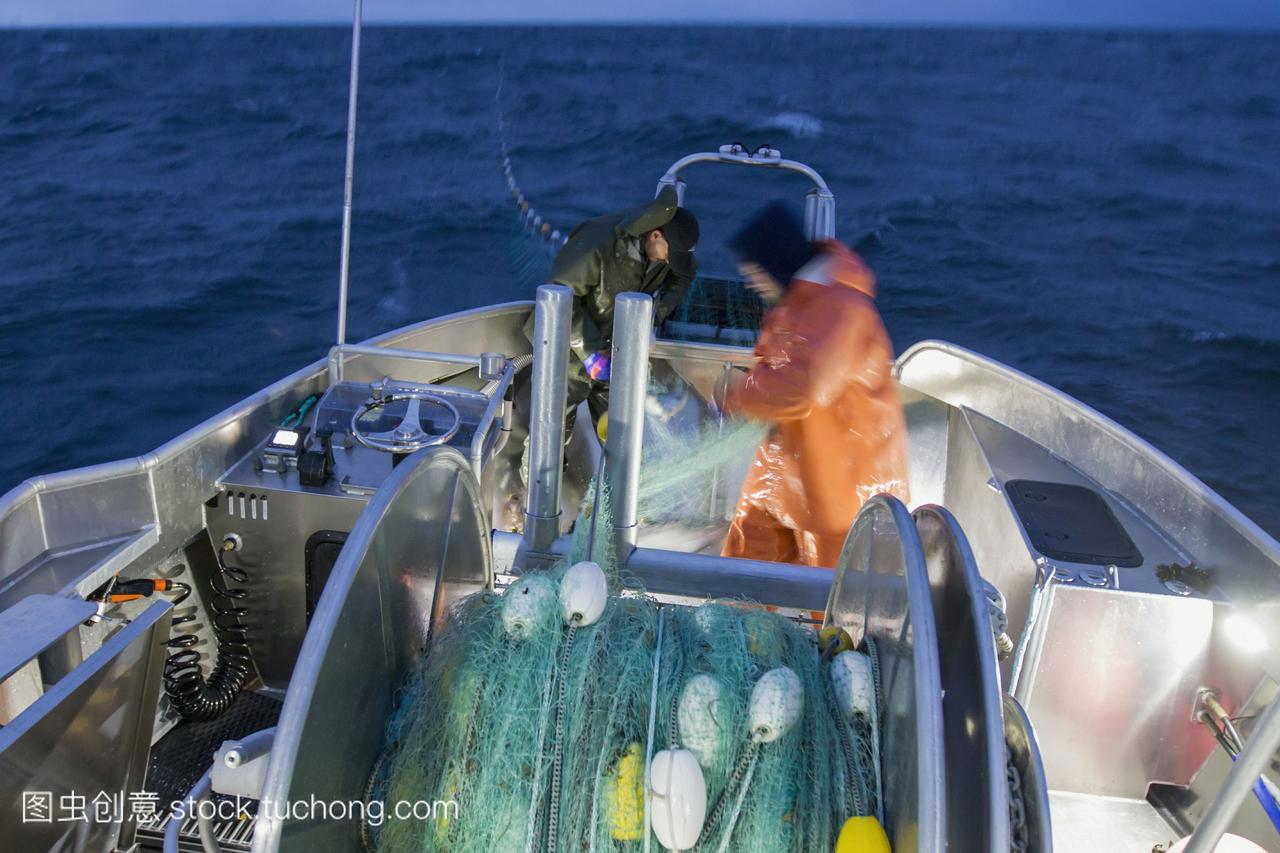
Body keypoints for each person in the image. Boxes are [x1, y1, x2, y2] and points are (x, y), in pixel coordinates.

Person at [718, 203, 909, 568]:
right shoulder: (797, 303)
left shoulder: (843, 308)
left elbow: (802, 388)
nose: (750, 281)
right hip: (786, 472)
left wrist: (734, 393)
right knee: (744, 567)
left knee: (833, 603)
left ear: (775, 263)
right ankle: (737, 625)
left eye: (754, 271)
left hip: (841, 486)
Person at [499, 187, 700, 527]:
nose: (670, 260)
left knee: (621, 431)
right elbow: (560, 297)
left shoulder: (667, 255)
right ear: (654, 235)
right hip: (565, 354)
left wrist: (654, 315)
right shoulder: (596, 243)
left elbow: (683, 275)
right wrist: (590, 354)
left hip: (616, 354)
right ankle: (530, 510)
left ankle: (617, 513)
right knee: (550, 433)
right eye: (669, 252)